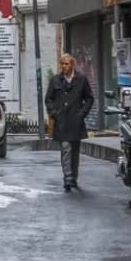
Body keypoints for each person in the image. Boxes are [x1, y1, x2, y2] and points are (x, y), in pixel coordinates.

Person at [45, 52, 94, 191]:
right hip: (62, 122)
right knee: (65, 148)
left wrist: (82, 113)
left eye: (66, 64)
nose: (64, 66)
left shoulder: (81, 79)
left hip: (76, 121)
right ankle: (67, 177)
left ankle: (74, 177)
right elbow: (49, 99)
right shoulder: (55, 80)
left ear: (72, 65)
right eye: (62, 64)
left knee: (75, 151)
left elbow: (89, 98)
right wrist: (54, 113)